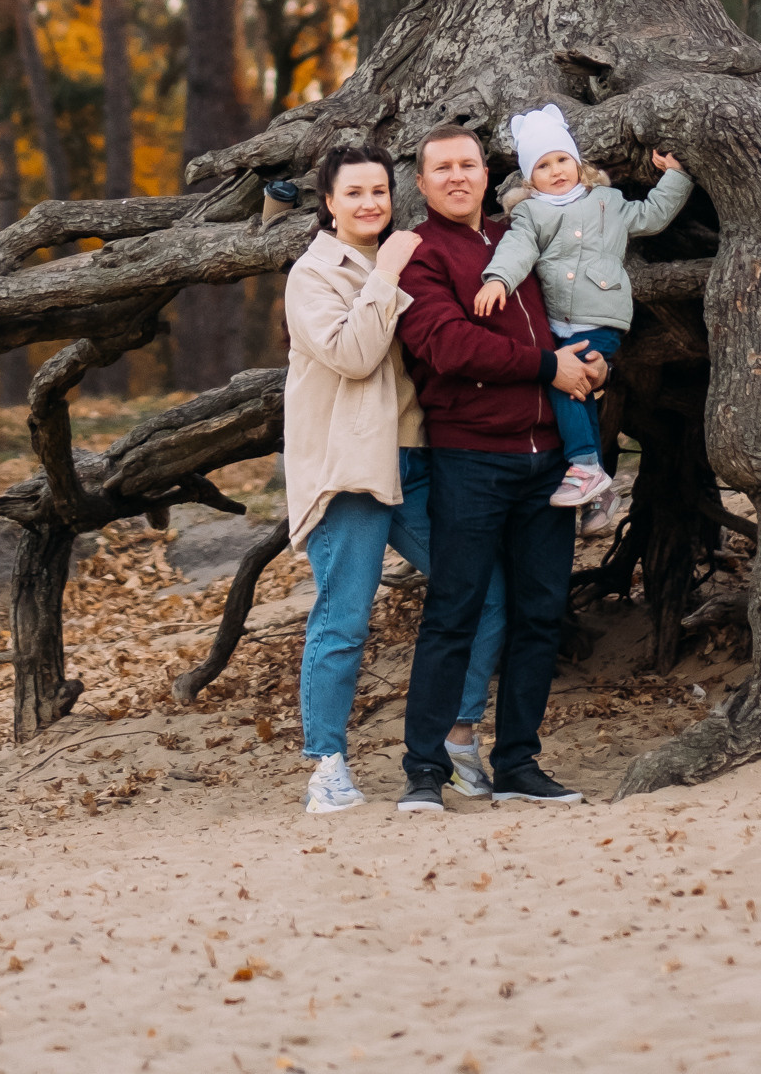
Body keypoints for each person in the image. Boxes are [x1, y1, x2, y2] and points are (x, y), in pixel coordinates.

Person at [282, 140, 507, 815]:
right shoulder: (313, 275)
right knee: (344, 619)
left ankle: (458, 738)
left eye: (378, 191)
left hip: (413, 459)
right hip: (349, 467)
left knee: (486, 593)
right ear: (328, 204)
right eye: (353, 193)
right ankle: (326, 762)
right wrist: (386, 274)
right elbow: (353, 356)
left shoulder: (406, 255)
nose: (369, 203)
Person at [392, 123, 608, 811]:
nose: (458, 177)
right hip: (471, 458)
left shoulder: (525, 233)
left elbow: (570, 316)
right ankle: (425, 770)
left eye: (469, 165)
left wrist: (593, 362)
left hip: (549, 461)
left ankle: (518, 764)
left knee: (541, 614)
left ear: (488, 174)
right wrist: (550, 366)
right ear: (422, 185)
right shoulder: (421, 256)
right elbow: (448, 345)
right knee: (453, 611)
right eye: (442, 169)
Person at [475, 103, 692, 518]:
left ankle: (585, 466)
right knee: (577, 389)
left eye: (562, 160)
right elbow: (518, 249)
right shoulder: (530, 213)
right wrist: (499, 278)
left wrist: (677, 176)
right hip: (557, 320)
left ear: (577, 162)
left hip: (601, 314)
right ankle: (599, 486)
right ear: (529, 177)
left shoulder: (607, 201)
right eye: (543, 166)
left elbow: (652, 215)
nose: (556, 171)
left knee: (564, 381)